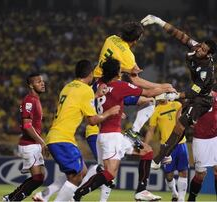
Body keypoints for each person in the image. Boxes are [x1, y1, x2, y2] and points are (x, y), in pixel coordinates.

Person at [141, 14, 217, 164]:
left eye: (203, 50)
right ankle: (166, 154)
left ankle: (160, 158)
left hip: (202, 100)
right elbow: (180, 35)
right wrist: (159, 21)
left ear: (209, 55)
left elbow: (194, 91)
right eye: (201, 46)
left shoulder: (206, 71)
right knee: (179, 125)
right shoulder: (197, 48)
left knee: (181, 124)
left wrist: (175, 97)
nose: (199, 50)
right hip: (195, 95)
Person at [72, 57, 174, 201]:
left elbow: (107, 100)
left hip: (109, 136)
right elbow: (149, 93)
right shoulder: (120, 86)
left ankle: (141, 191)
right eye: (120, 70)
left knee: (147, 151)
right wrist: (166, 87)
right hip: (111, 137)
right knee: (110, 174)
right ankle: (77, 194)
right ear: (116, 73)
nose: (121, 73)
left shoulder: (98, 84)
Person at [92, 21, 173, 200]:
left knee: (149, 100)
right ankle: (134, 131)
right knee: (150, 99)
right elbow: (137, 83)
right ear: (137, 39)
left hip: (99, 87)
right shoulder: (128, 55)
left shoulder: (110, 39)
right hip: (111, 88)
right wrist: (162, 86)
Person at [45, 59, 120, 201]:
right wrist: (110, 112)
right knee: (76, 177)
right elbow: (92, 121)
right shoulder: (85, 90)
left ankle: (48, 195)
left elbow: (73, 105)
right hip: (63, 139)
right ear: (90, 74)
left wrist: (96, 95)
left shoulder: (68, 87)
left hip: (56, 136)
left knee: (83, 172)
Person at [2, 73, 47, 201]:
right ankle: (13, 199)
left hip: (34, 144)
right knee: (38, 178)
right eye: (38, 82)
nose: (42, 83)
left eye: (42, 81)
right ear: (31, 85)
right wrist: (42, 142)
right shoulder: (29, 100)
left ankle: (10, 198)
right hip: (29, 144)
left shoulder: (36, 99)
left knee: (39, 178)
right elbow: (27, 126)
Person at [146, 95, 189, 201]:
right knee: (169, 175)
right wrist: (146, 144)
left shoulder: (177, 104)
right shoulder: (156, 111)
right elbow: (151, 130)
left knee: (183, 171)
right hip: (167, 146)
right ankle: (174, 193)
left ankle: (181, 199)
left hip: (181, 143)